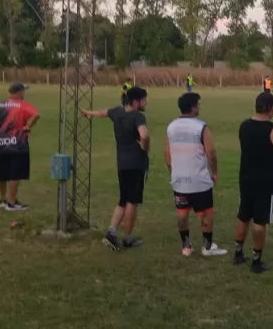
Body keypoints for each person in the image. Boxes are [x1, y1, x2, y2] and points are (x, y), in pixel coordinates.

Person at [82, 87, 150, 250]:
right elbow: (144, 135)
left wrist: (89, 113)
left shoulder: (118, 112)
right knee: (132, 202)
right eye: (144, 100)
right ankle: (127, 238)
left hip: (122, 163)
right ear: (136, 102)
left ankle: (111, 233)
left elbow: (103, 112)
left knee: (123, 200)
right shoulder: (138, 116)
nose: (146, 103)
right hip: (136, 164)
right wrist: (145, 146)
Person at [234, 92, 273, 274]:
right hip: (265, 181)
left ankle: (238, 253)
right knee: (260, 221)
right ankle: (256, 260)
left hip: (246, 178)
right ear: (269, 109)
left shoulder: (244, 125)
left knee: (243, 216)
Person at [165, 93, 227, 257]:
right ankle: (207, 247)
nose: (200, 107)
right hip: (199, 180)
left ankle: (186, 247)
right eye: (198, 104)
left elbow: (167, 154)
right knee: (206, 213)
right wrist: (214, 172)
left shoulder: (171, 127)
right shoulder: (201, 127)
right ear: (193, 107)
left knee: (182, 214)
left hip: (179, 180)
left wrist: (174, 172)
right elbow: (211, 152)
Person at [0, 83, 40, 211]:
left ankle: (3, 199)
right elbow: (36, 114)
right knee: (15, 174)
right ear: (19, 92)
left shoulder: (0, 105)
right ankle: (12, 203)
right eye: (23, 91)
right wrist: (28, 125)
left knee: (1, 173)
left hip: (2, 144)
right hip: (18, 144)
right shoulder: (22, 104)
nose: (24, 94)